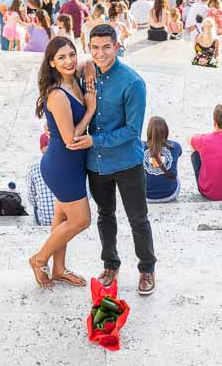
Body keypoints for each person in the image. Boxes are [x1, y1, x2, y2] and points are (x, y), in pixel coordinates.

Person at [69, 24, 155, 295]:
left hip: (127, 162)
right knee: (105, 216)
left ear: (117, 46)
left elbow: (132, 131)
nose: (101, 53)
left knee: (138, 218)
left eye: (106, 47)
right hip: (96, 164)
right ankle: (110, 265)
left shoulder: (133, 82)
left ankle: (147, 269)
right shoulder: (86, 75)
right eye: (94, 47)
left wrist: (96, 140)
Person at [30, 36, 95, 287]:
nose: (69, 61)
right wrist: (90, 109)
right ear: (52, 63)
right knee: (81, 220)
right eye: (61, 57)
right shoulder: (57, 95)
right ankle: (39, 259)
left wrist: (87, 65)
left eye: (72, 54)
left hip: (73, 165)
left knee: (62, 219)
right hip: (62, 165)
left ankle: (58, 268)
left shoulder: (73, 78)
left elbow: (87, 62)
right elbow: (70, 139)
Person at [143, 116, 182, 203]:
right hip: (170, 194)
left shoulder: (140, 147)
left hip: (146, 196)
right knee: (174, 173)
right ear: (166, 130)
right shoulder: (175, 146)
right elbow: (179, 154)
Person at [27, 133, 58, 226]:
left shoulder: (34, 167)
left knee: (36, 204)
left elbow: (31, 199)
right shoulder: (72, 163)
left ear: (41, 149)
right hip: (71, 219)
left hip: (46, 221)